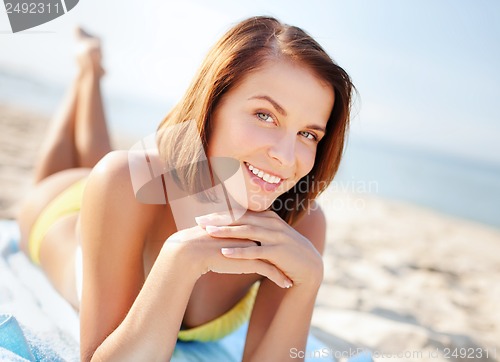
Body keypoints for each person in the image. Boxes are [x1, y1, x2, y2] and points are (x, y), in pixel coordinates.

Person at [17, 16, 354, 361]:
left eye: (308, 134)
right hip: (58, 209)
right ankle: (87, 70)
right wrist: (177, 264)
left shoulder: (302, 225)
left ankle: (91, 70)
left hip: (135, 187)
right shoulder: (122, 180)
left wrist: (307, 283)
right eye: (265, 116)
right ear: (213, 103)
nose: (284, 157)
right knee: (97, 168)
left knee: (109, 163)